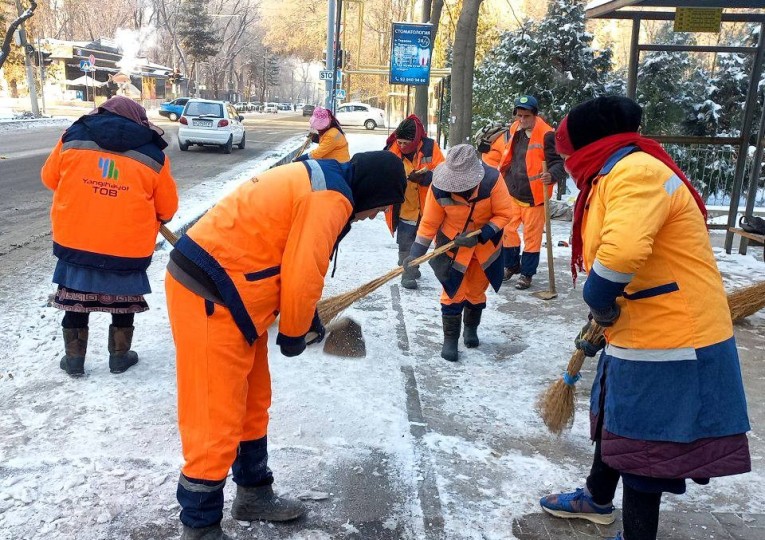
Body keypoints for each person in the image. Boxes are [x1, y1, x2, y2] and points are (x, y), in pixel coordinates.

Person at [539, 96, 751, 540]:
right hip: (642, 323)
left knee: (645, 446)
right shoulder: (614, 173)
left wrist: (598, 298)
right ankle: (597, 499)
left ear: (589, 146)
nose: (567, 163)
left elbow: (624, 251)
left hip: (674, 336)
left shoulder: (637, 173)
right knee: (617, 420)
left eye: (567, 151)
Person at [165, 151, 406, 540]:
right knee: (215, 415)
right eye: (381, 208)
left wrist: (303, 319)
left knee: (253, 400)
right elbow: (302, 272)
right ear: (372, 191)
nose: (375, 216)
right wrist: (294, 333)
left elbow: (283, 250)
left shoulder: (330, 181)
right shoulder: (331, 198)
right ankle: (200, 526)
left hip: (239, 292)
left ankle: (254, 493)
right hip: (210, 291)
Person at [41, 95, 178, 377]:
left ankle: (74, 360)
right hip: (127, 247)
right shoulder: (153, 154)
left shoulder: (73, 136)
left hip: (75, 240)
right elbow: (168, 209)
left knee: (75, 298)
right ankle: (119, 356)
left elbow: (49, 178)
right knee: (123, 299)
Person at [403, 144, 512, 362]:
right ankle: (450, 339)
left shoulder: (492, 181)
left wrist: (481, 234)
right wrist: (416, 253)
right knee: (452, 291)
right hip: (452, 248)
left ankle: (471, 329)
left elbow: (505, 213)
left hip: (484, 247)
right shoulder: (438, 186)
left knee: (476, 290)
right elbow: (429, 223)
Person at [494, 95, 566, 289]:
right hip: (513, 191)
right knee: (507, 230)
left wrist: (551, 175)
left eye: (526, 116)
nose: (522, 120)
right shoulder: (514, 129)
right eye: (519, 116)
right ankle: (511, 266)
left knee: (532, 237)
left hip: (535, 196)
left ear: (535, 115)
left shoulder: (547, 134)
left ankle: (527, 274)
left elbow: (559, 163)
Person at [384, 114, 445, 289]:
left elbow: (443, 172)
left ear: (416, 140)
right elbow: (384, 173)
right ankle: (407, 273)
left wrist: (425, 177)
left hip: (428, 206)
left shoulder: (430, 147)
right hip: (405, 206)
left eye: (406, 143)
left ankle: (412, 263)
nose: (402, 146)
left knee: (421, 239)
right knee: (406, 239)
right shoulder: (392, 149)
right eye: (400, 142)